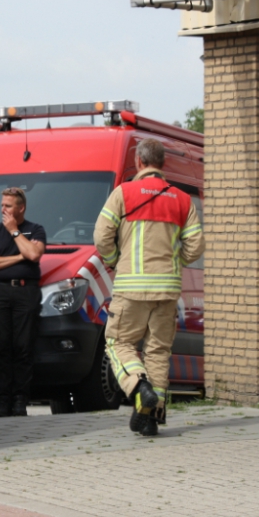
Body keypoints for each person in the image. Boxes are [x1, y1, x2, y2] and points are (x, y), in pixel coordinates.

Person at [94, 139, 203, 436]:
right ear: (163, 164)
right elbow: (195, 247)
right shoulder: (182, 199)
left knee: (118, 344)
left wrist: (117, 259)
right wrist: (174, 259)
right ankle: (151, 419)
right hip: (167, 289)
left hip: (131, 287)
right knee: (158, 352)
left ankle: (138, 387)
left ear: (140, 162)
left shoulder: (123, 193)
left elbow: (102, 236)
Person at [0, 187, 46, 417]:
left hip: (25, 292)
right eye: (2, 205)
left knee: (23, 347)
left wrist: (15, 232)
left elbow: (35, 255)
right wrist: (19, 256)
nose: (3, 209)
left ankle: (20, 400)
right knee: (0, 347)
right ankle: (3, 400)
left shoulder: (35, 229)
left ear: (21, 208)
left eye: (8, 206)